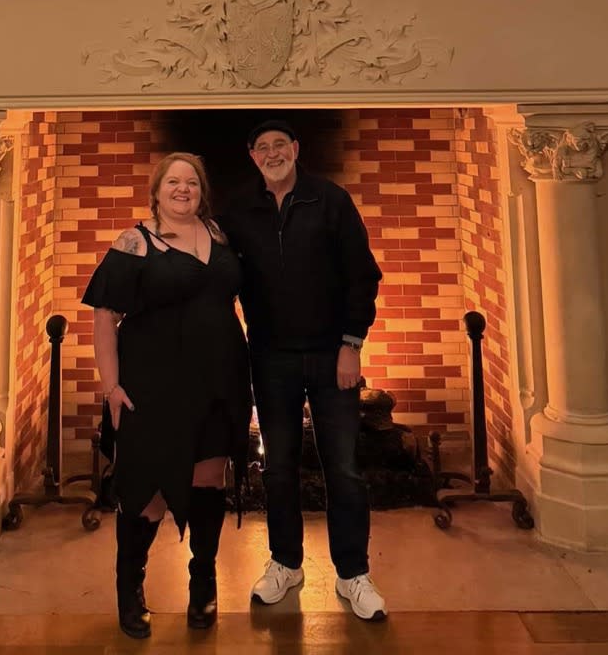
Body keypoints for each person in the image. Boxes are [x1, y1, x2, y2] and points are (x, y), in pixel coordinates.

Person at [220, 120, 386, 622]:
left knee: (344, 469)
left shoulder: (330, 200)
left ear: (295, 149)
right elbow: (214, 271)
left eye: (280, 145)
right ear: (252, 156)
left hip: (332, 354)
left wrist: (351, 344)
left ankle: (353, 573)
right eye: (262, 147)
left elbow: (362, 276)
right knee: (278, 468)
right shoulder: (237, 211)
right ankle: (286, 563)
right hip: (270, 358)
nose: (272, 153)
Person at [82, 153, 251, 640]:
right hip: (152, 388)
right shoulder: (135, 242)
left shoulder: (219, 235)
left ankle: (203, 583)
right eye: (173, 182)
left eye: (192, 182)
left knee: (208, 481)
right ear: (156, 191)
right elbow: (104, 316)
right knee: (149, 492)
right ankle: (130, 590)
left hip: (217, 384)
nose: (183, 189)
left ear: (202, 191)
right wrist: (111, 386)